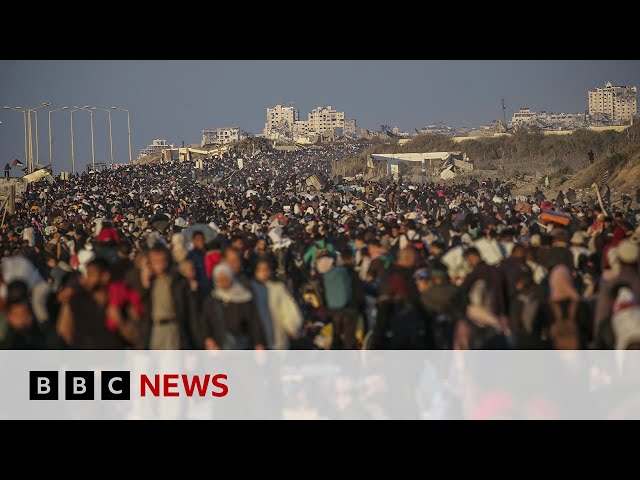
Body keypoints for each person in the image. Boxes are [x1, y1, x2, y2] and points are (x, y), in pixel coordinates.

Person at [143, 245, 199, 350]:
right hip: (154, 330)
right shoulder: (149, 283)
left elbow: (190, 312)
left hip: (173, 329)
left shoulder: (178, 282)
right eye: (155, 261)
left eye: (162, 260)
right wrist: (145, 283)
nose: (159, 265)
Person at [200, 262, 265, 350]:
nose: (222, 281)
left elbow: (254, 322)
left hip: (244, 347)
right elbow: (205, 324)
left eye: (225, 278)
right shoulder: (211, 300)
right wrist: (209, 340)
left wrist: (259, 343)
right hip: (219, 349)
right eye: (219, 279)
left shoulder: (244, 297)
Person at [251, 259, 302, 349]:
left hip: (277, 334)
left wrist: (292, 327)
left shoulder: (278, 288)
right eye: (261, 269)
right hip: (258, 336)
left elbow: (287, 308)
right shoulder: (250, 289)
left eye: (266, 269)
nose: (264, 272)